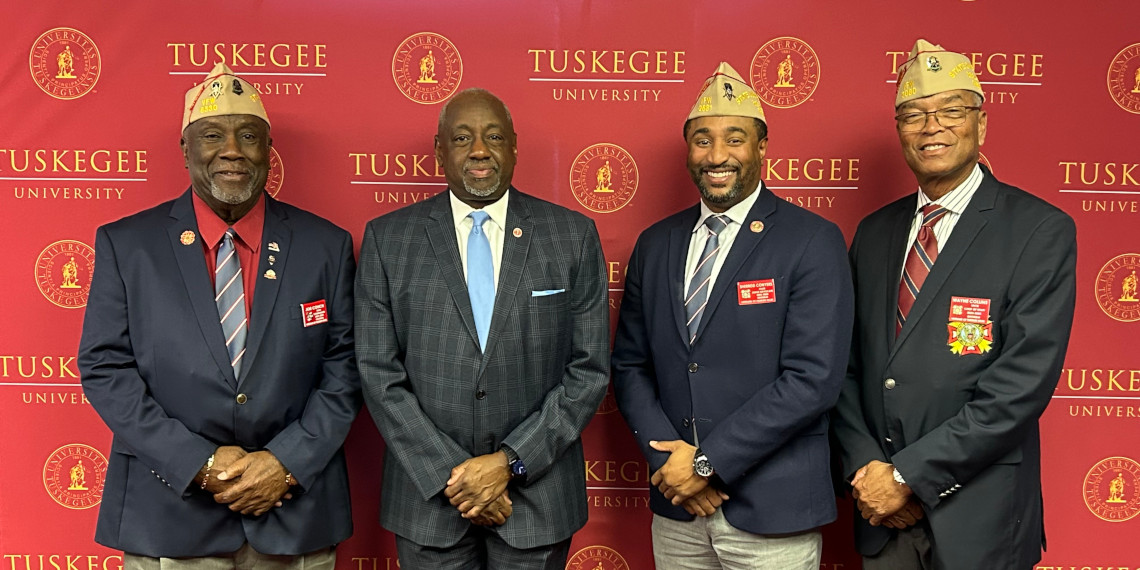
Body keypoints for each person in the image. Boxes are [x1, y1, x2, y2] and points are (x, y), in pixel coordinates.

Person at [78, 62, 361, 569]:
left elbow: (347, 369)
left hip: (293, 512)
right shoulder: (127, 246)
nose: (232, 149)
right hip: (168, 511)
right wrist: (199, 464)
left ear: (268, 151)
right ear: (185, 149)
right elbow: (105, 369)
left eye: (248, 135)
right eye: (212, 135)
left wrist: (285, 463)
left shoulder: (326, 246)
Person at [831, 39, 1077, 570]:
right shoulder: (874, 233)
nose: (932, 127)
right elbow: (844, 370)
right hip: (883, 520)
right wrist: (869, 469)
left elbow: (1019, 387)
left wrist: (907, 477)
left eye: (950, 111)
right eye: (914, 115)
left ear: (981, 125)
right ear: (899, 131)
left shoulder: (1038, 230)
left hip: (979, 520)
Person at [611, 62, 854, 570]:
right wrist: (669, 463)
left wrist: (707, 464)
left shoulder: (811, 240)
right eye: (702, 140)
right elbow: (631, 366)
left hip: (772, 510)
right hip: (677, 510)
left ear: (762, 147)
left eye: (734, 139)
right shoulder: (657, 244)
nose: (717, 155)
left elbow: (813, 379)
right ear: (688, 151)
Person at [355, 87, 609, 569]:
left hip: (537, 501)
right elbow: (376, 371)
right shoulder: (389, 239)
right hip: (429, 503)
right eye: (462, 137)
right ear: (439, 150)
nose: (479, 150)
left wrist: (509, 463)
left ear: (514, 146)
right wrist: (456, 478)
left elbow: (589, 370)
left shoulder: (571, 236)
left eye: (493, 136)